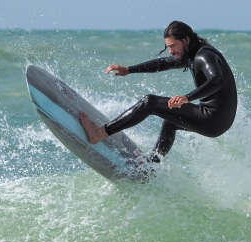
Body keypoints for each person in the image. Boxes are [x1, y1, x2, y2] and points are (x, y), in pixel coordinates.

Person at [80, 21, 237, 163]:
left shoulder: (204, 56)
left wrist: (187, 98)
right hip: (220, 121)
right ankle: (152, 165)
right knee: (170, 121)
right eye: (168, 47)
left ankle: (99, 133)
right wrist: (129, 70)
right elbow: (164, 63)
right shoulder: (193, 52)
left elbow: (218, 80)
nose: (170, 51)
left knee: (150, 102)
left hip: (212, 119)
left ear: (186, 40)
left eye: (172, 46)